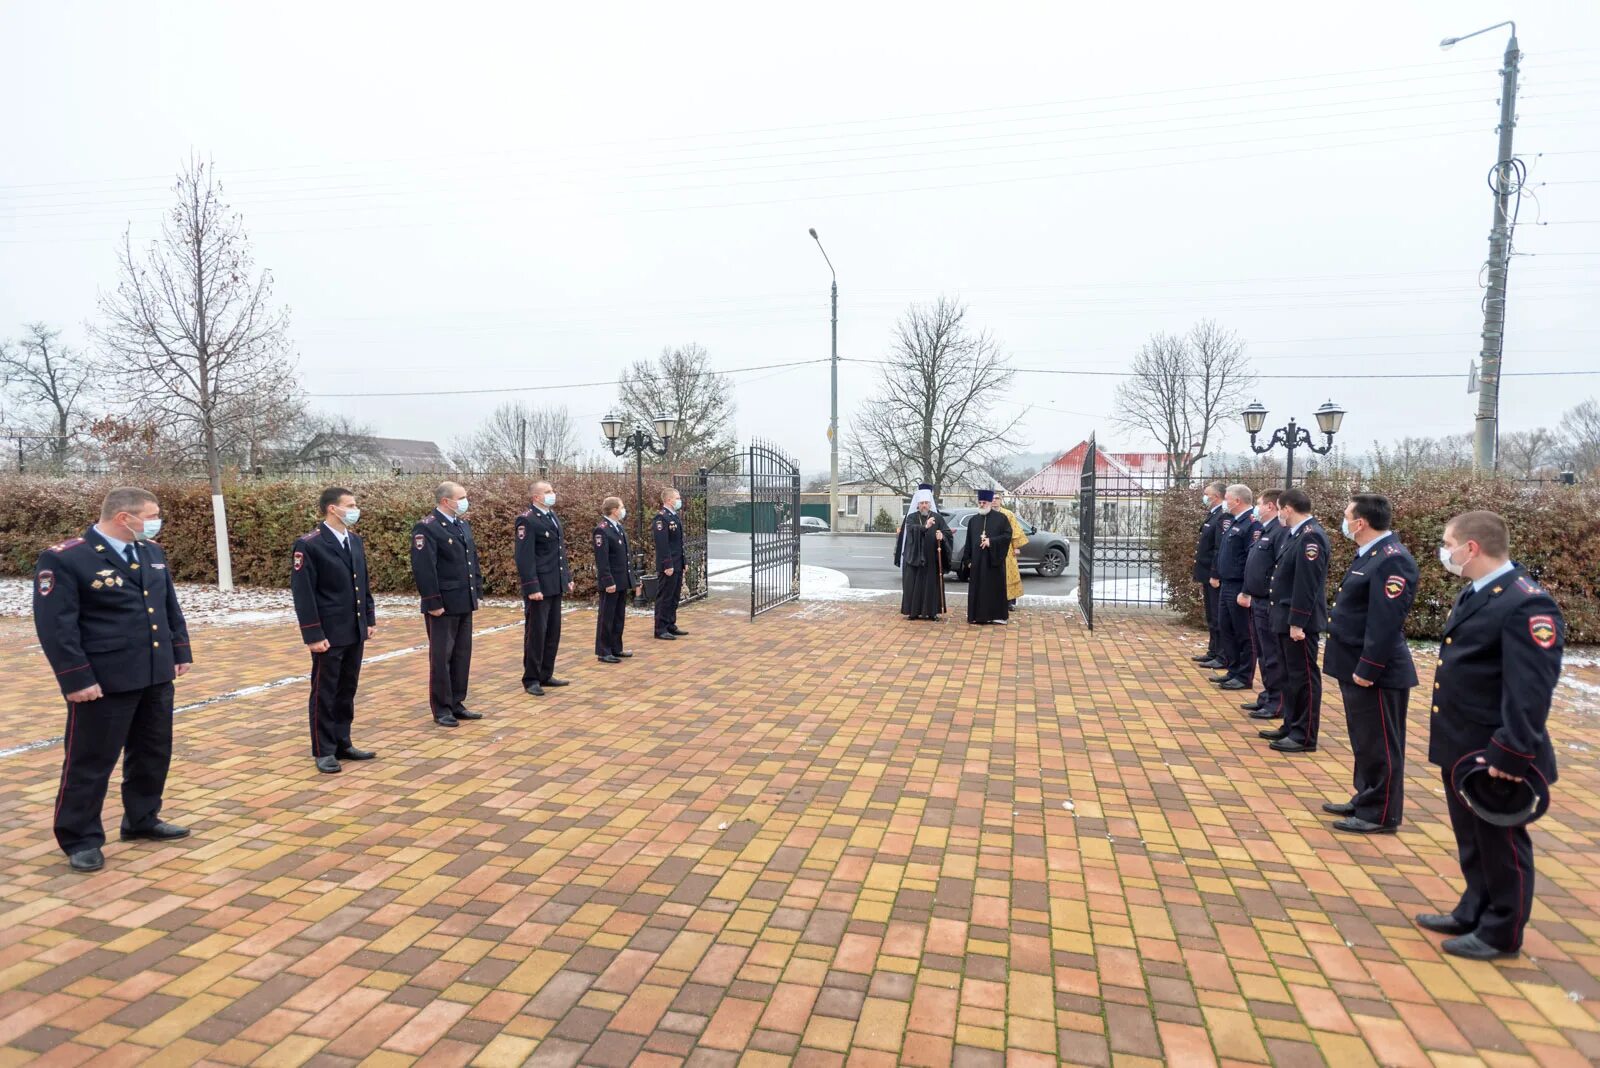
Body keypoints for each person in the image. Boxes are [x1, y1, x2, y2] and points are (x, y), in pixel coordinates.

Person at [1417, 510, 1563, 961]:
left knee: (1501, 841)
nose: (1445, 551)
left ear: (1472, 548)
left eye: (1448, 543)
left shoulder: (1525, 603)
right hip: (1463, 741)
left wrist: (1513, 751)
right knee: (1472, 835)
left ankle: (1502, 929)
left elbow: (1531, 689)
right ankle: (1473, 906)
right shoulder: (1480, 591)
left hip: (1494, 748)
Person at [32, 487, 193, 873]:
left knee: (153, 752)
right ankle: (80, 837)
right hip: (103, 681)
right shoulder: (67, 558)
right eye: (151, 515)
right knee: (90, 761)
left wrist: (179, 651)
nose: (157, 521)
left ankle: (141, 818)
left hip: (153, 673)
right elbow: (57, 627)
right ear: (125, 517)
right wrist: (75, 679)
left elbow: (168, 605)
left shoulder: (150, 552)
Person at [1319, 493, 1419, 834]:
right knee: (1364, 740)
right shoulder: (1372, 554)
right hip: (1355, 663)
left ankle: (1380, 811)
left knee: (1380, 744)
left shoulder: (1392, 560)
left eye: (1347, 517)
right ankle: (1365, 796)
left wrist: (1368, 667)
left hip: (1376, 671)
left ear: (1360, 523)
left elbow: (1385, 622)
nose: (1344, 522)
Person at [290, 487, 377, 773]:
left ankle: (343, 741)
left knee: (346, 688)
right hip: (328, 632)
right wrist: (313, 635)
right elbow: (304, 593)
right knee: (324, 691)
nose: (355, 510)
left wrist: (368, 618)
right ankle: (323, 749)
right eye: (350, 505)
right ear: (332, 509)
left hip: (353, 628)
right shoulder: (310, 544)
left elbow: (362, 582)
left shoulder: (354, 540)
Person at [1259, 487, 1328, 754]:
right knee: (1289, 677)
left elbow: (1306, 585)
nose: (1279, 515)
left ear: (1287, 509)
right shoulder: (1295, 535)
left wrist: (1298, 621)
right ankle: (1290, 724)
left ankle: (1304, 734)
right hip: (1284, 617)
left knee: (1303, 679)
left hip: (1298, 622)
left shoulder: (1311, 538)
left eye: (1280, 509)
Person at [411, 482, 484, 727]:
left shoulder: (461, 524)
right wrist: (432, 601)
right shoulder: (427, 527)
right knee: (442, 657)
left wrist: (477, 591)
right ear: (445, 501)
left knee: (462, 654)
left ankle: (456, 702)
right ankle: (442, 707)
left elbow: (471, 559)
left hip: (464, 599)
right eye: (461, 497)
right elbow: (424, 568)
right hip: (443, 603)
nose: (465, 501)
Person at [515, 480, 573, 696]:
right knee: (536, 633)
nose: (552, 494)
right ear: (536, 497)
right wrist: (532, 586)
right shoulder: (527, 520)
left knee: (552, 631)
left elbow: (559, 551)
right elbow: (524, 557)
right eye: (547, 492)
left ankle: (546, 673)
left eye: (552, 491)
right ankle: (531, 678)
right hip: (539, 586)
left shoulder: (551, 516)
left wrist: (566, 577)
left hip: (554, 583)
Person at [1240, 489, 1285, 721]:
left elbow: (1278, 570)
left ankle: (1277, 702)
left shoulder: (1281, 532)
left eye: (1259, 503)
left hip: (1269, 602)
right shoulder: (1267, 530)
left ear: (1270, 506)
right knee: (1264, 655)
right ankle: (1267, 696)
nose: (1256, 507)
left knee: (1272, 655)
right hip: (1258, 600)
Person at [1210, 485, 1259, 692]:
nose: (1225, 502)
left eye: (1227, 499)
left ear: (1238, 501)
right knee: (1226, 628)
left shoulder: (1251, 524)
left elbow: (1252, 559)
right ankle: (1233, 669)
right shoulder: (1235, 522)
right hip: (1227, 583)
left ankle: (1244, 675)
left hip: (1239, 585)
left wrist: (1246, 589)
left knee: (1243, 632)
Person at [894, 484, 952, 620]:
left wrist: (942, 536)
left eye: (926, 503)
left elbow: (947, 532)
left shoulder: (937, 517)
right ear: (917, 505)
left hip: (931, 559)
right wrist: (925, 526)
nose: (924, 505)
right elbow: (911, 529)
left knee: (931, 585)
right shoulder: (911, 517)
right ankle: (913, 612)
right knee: (914, 585)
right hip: (915, 558)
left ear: (930, 504)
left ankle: (932, 612)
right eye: (922, 503)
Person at [593, 496, 638, 663]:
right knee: (607, 616)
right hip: (611, 581)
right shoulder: (602, 530)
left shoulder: (618, 527)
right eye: (621, 507)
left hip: (621, 579)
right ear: (614, 510)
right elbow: (602, 560)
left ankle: (616, 647)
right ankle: (604, 651)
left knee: (619, 615)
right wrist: (607, 581)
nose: (623, 510)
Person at [960, 490, 1012, 624]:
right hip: (977, 562)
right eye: (980, 502)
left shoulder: (1001, 519)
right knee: (978, 589)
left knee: (994, 588)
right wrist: (968, 560)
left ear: (990, 503)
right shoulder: (973, 520)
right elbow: (969, 542)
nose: (982, 505)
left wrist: (991, 542)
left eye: (985, 502)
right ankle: (977, 616)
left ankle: (997, 616)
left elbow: (1007, 537)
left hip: (993, 562)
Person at [1191, 482, 1227, 667]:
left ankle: (1221, 654)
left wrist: (1215, 573)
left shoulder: (1222, 516)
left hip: (1213, 575)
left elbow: (1218, 548)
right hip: (1206, 573)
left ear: (1217, 496)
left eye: (1207, 494)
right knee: (1211, 615)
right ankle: (1213, 651)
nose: (1204, 497)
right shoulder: (1214, 514)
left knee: (1217, 615)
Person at [653, 486, 689, 640]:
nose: (679, 500)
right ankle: (660, 628)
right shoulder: (661, 518)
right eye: (677, 498)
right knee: (665, 596)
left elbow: (679, 543)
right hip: (668, 565)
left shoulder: (674, 516)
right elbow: (663, 544)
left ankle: (670, 624)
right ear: (668, 500)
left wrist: (683, 561)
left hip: (677, 562)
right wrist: (667, 564)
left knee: (674, 596)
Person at [994, 491, 1029, 609]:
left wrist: (1016, 546)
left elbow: (1015, 530)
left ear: (1001, 500)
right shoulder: (987, 514)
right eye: (993, 498)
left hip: (1007, 548)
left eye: (997, 498)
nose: (995, 501)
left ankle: (1009, 602)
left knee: (1009, 573)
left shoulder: (1008, 514)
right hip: (991, 547)